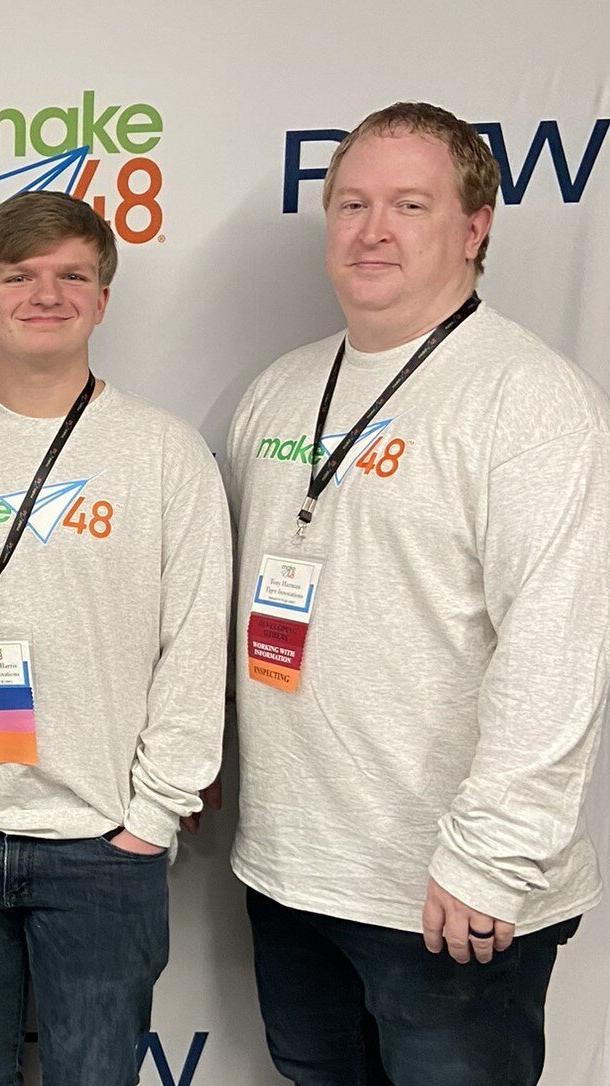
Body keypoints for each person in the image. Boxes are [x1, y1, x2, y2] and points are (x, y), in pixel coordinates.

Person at [227, 101, 610, 1086]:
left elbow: (557, 646)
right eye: (352, 203)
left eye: (409, 204)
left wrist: (490, 858)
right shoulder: (279, 390)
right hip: (291, 872)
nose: (373, 230)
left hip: (447, 897)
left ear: (474, 227)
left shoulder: (529, 399)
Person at [0, 190, 230, 1086]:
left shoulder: (163, 453)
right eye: (19, 275)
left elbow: (195, 645)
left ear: (103, 300)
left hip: (100, 843)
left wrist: (151, 819)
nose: (47, 294)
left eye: (74, 275)